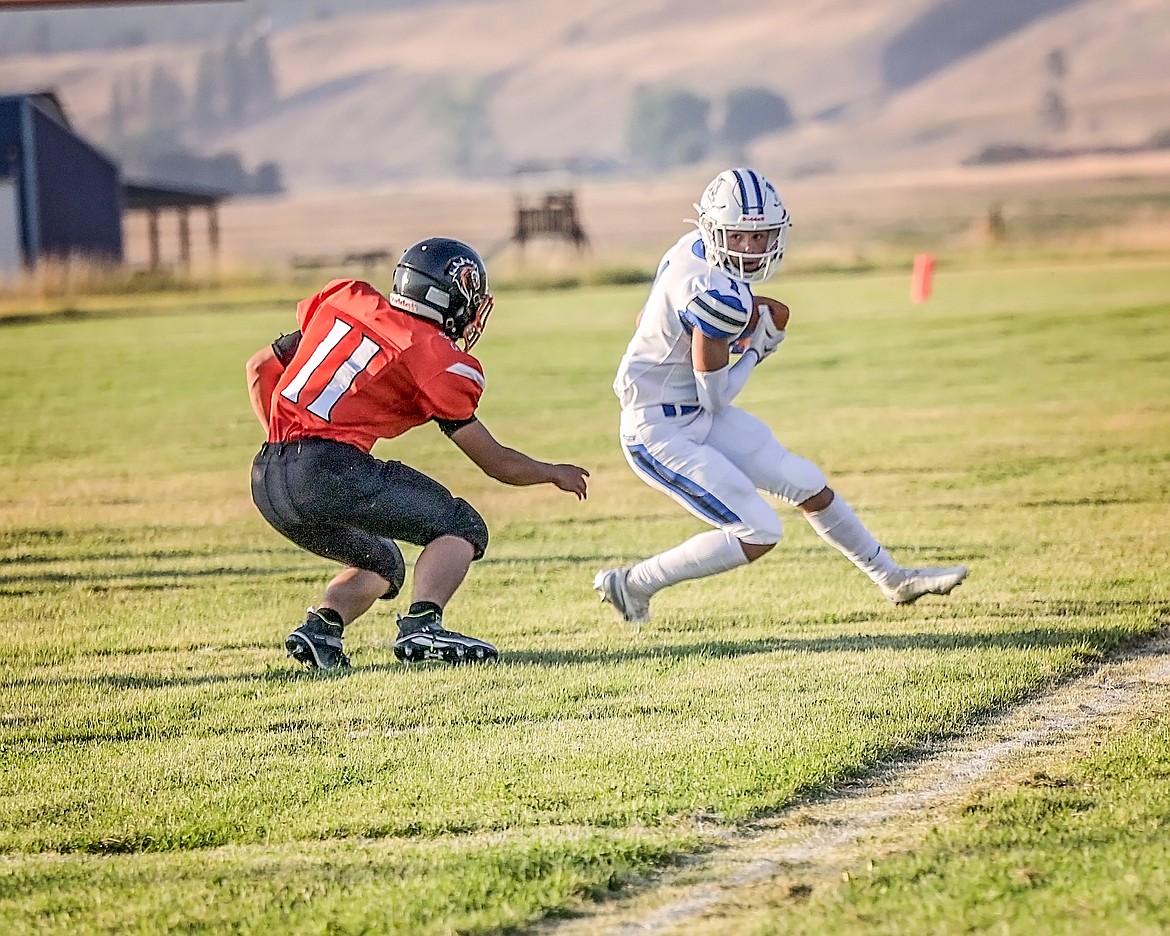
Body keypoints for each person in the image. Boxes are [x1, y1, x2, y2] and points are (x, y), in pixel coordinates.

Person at [594, 167, 966, 624]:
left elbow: (645, 320)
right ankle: (631, 584)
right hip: (658, 427)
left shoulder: (690, 250)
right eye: (739, 237)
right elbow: (718, 397)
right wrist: (755, 351)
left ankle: (893, 579)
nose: (750, 250)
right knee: (758, 529)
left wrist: (725, 337)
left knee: (805, 481)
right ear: (714, 229)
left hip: (686, 407)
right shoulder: (713, 292)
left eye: (760, 236)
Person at [247, 237, 589, 670]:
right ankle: (424, 626)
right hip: (328, 469)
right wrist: (550, 471)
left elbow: (259, 368)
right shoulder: (431, 354)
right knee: (460, 527)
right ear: (455, 299)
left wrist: (289, 448)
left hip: (267, 476)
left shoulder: (348, 300)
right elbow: (494, 461)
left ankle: (322, 630)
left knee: (382, 562)